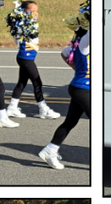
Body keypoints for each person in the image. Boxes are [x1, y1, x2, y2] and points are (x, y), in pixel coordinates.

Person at [38, 23, 90, 170]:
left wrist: (77, 68)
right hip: (82, 89)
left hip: (81, 88)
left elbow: (65, 53)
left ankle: (50, 150)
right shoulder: (85, 45)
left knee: (70, 122)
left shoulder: (80, 45)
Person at [6, 0, 61, 120]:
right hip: (26, 58)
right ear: (24, 12)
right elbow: (17, 33)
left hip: (27, 58)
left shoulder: (30, 24)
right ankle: (43, 109)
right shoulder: (22, 25)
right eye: (32, 11)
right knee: (37, 82)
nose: (35, 13)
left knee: (22, 83)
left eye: (37, 11)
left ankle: (12, 107)